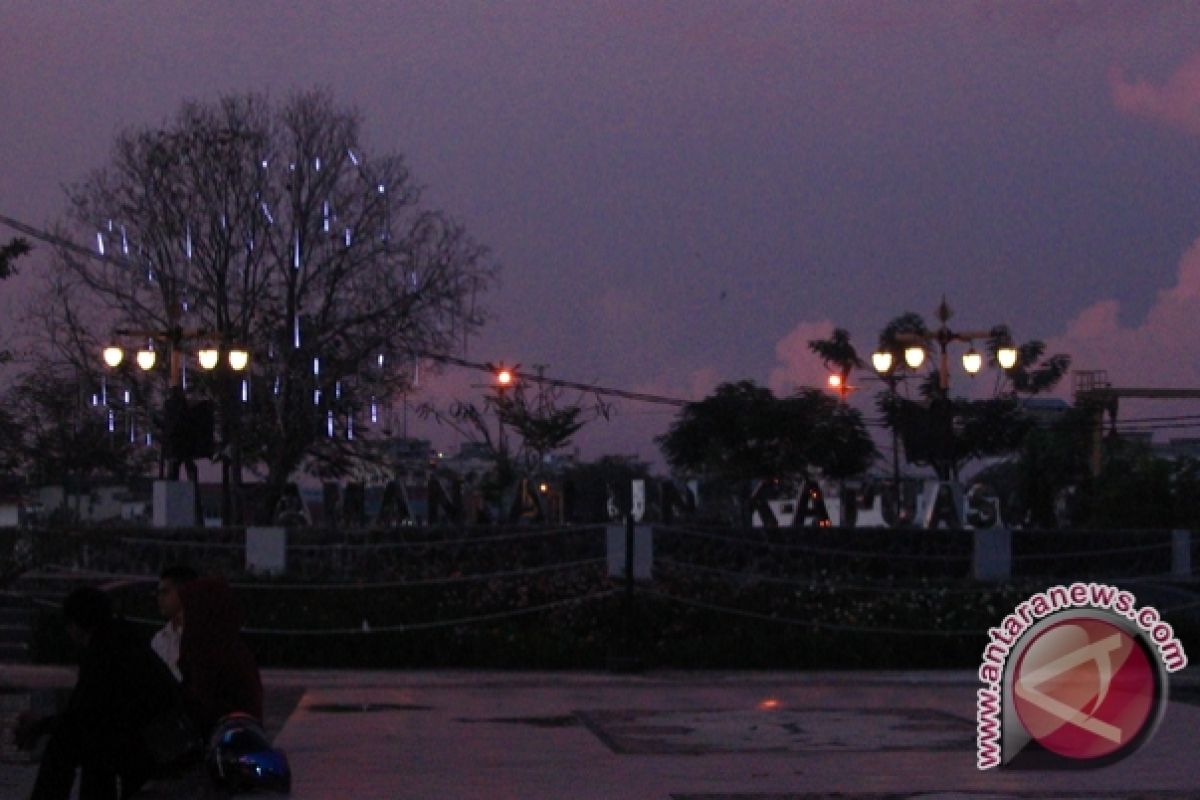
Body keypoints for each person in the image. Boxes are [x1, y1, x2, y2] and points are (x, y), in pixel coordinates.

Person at [15, 586, 180, 800]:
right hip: (155, 737)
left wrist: (39, 726)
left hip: (150, 745)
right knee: (89, 741)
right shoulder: (123, 640)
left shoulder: (104, 650)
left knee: (67, 744)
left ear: (75, 625)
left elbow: (83, 712)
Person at [177, 576, 264, 735]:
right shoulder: (228, 651)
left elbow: (201, 710)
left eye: (186, 610)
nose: (181, 617)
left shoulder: (212, 658)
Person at [151, 565, 198, 682]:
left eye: (165, 592)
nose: (159, 598)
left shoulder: (204, 636)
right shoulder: (159, 639)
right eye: (159, 593)